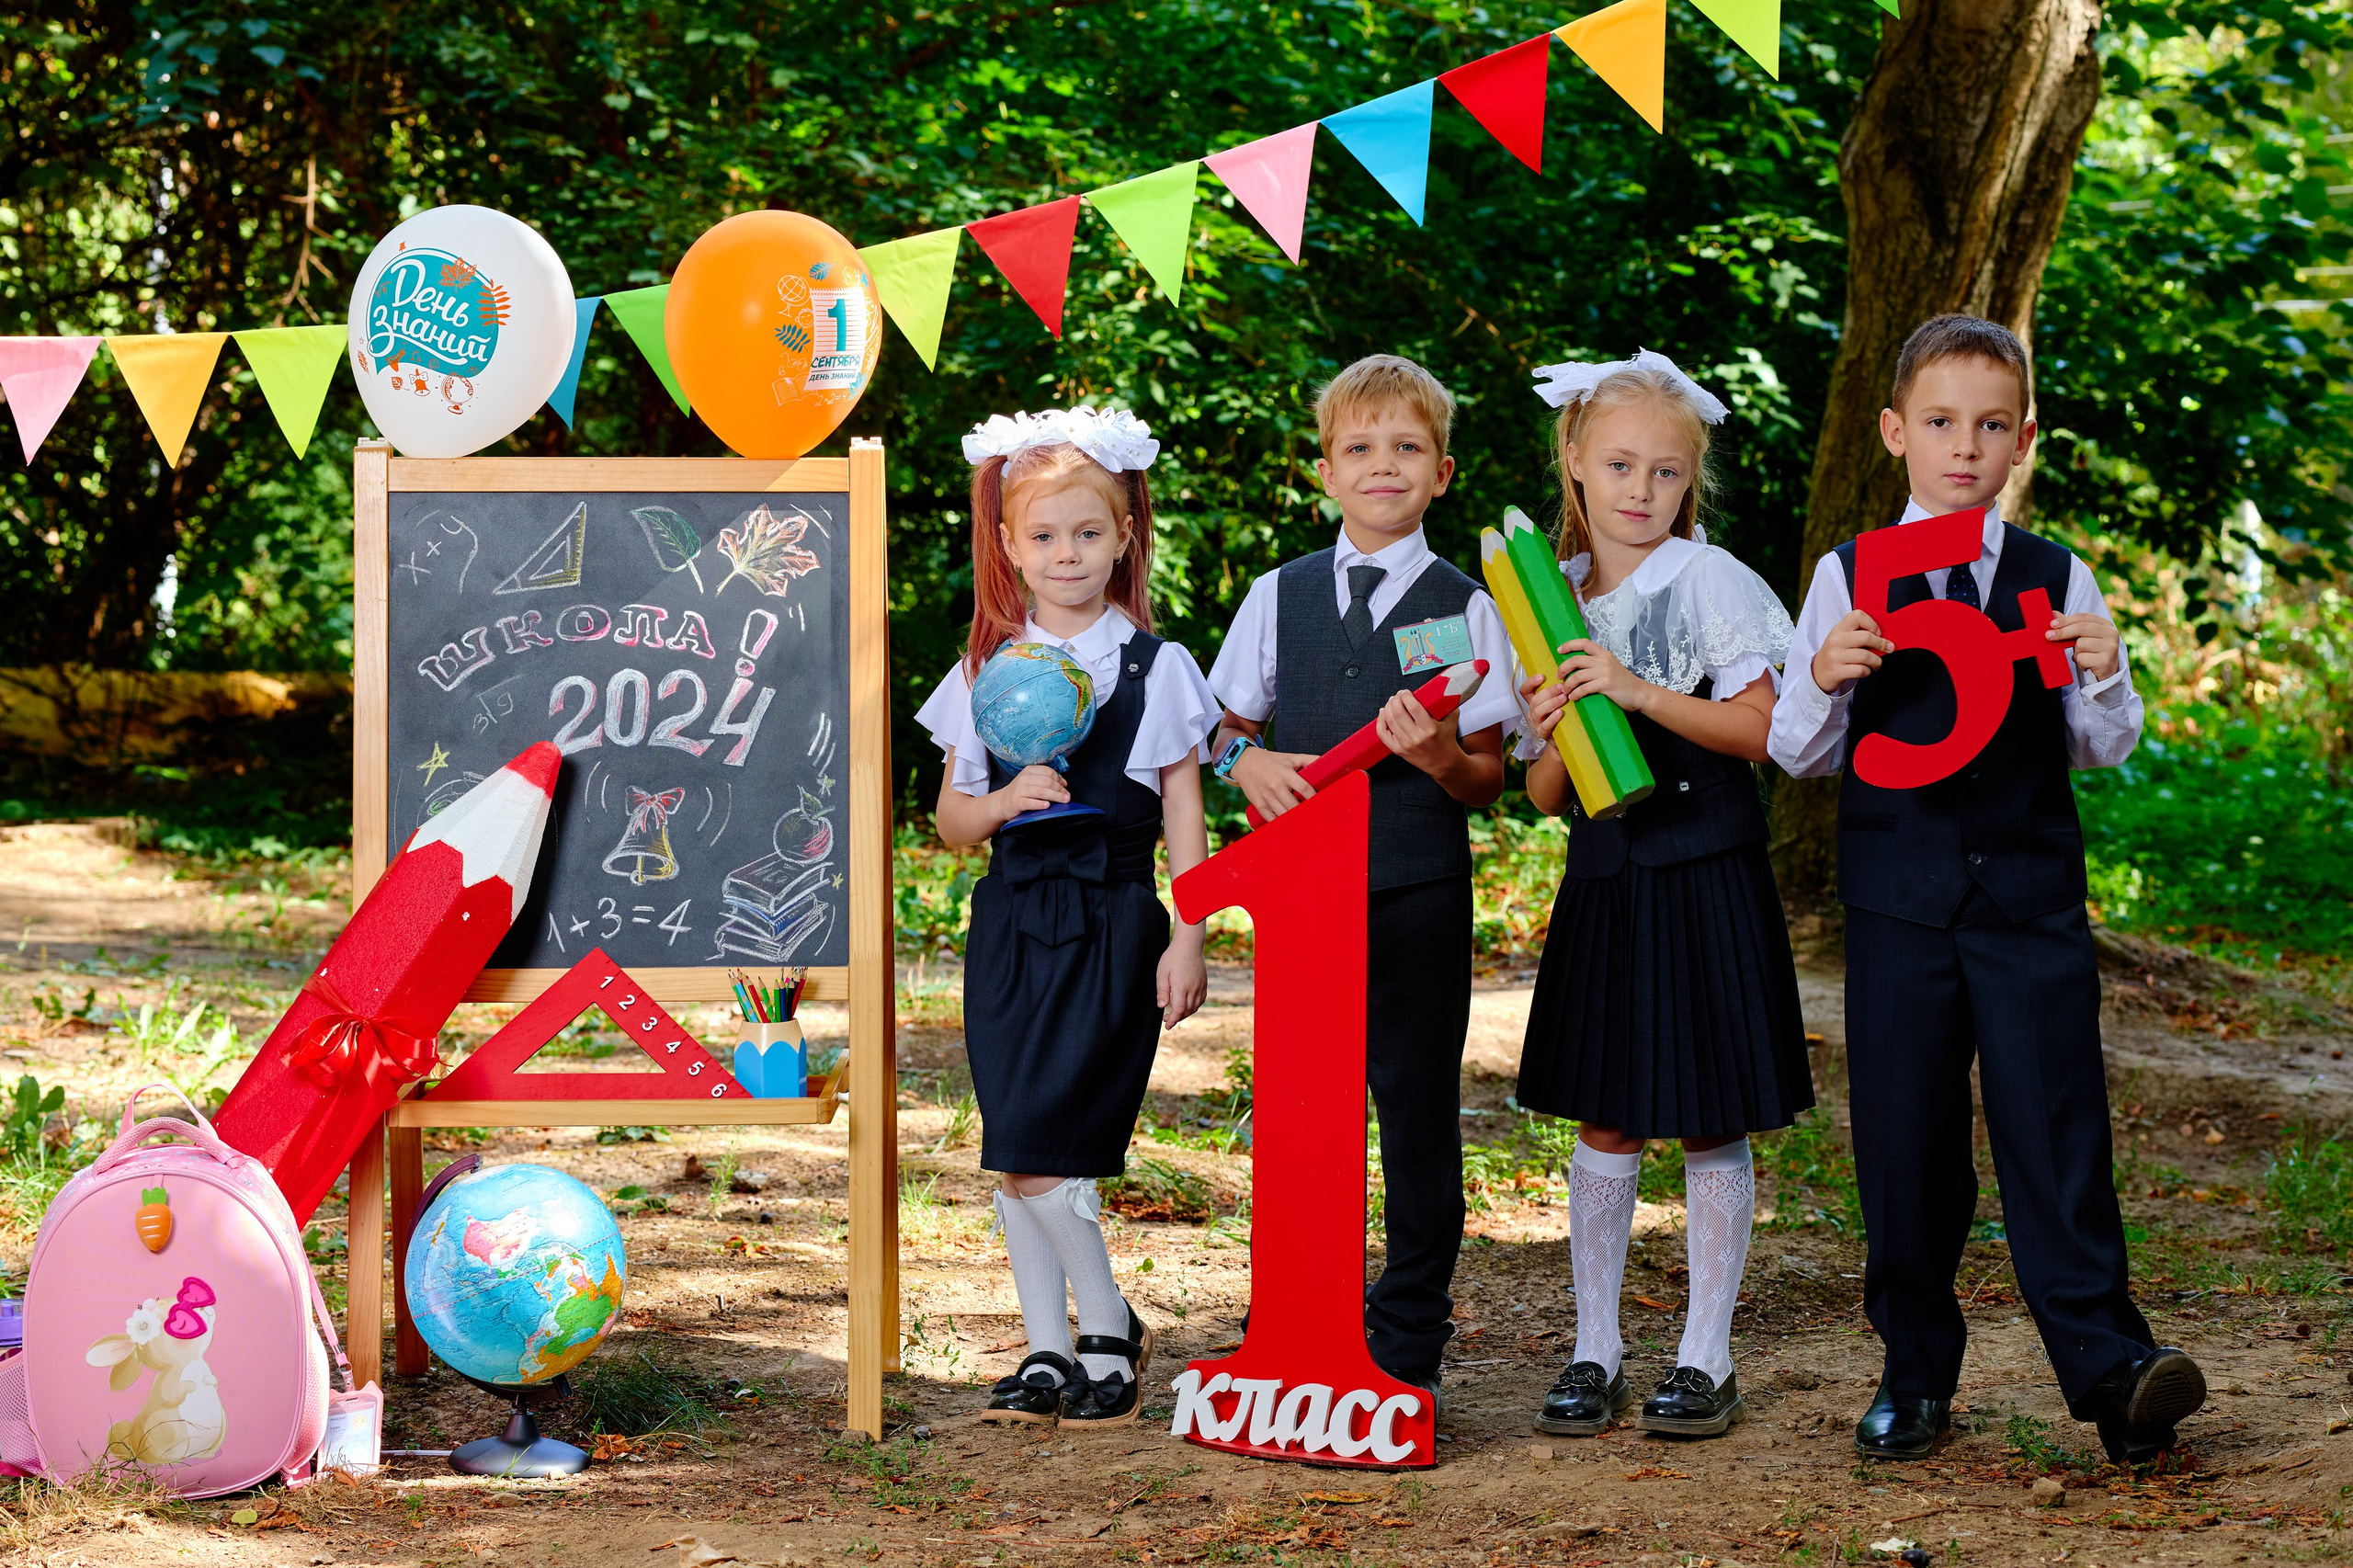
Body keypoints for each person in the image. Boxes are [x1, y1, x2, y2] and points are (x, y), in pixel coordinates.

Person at [1768, 314, 2204, 1464]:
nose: (1965, 446)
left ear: (2021, 440)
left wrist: (2105, 671)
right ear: (1894, 430)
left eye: (1992, 425)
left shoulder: (2056, 574)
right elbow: (1796, 751)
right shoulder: (1846, 571)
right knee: (1905, 1147)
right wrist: (1820, 678)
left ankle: (2112, 1372)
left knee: (2056, 1132)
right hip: (1900, 900)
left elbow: (2101, 747)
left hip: (2027, 900)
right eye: (1943, 422)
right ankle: (1912, 1373)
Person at [1208, 354, 1520, 1409]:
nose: (1381, 465)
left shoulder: (1468, 607)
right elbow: (1218, 724)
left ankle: (1406, 1327)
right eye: (1358, 447)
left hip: (1414, 890)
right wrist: (1237, 760)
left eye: (1405, 447)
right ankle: (1292, 1312)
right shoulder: (1276, 593)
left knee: (1415, 1107)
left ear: (1440, 471)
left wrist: (1436, 757)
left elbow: (1487, 780)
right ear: (1326, 471)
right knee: (1301, 1106)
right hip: (1302, 901)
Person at [1509, 351, 1811, 1440]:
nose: (1641, 489)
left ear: (1691, 483)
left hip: (1705, 870)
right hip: (1608, 876)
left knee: (1708, 1112)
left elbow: (1764, 731)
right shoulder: (1545, 596)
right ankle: (1596, 1347)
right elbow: (1548, 792)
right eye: (1621, 465)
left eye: (1667, 472)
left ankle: (1705, 1354)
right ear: (1576, 465)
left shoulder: (1713, 579)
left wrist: (1634, 690)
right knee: (1610, 1110)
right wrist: (1553, 730)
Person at [915, 407, 1215, 1428]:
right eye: (1042, 536)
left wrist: (1191, 929)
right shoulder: (984, 669)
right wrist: (1004, 800)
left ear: (1125, 532)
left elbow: (1183, 800)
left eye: (1087, 533)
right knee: (1016, 1140)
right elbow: (954, 818)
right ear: (1007, 544)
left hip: (1113, 919)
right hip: (1011, 919)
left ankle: (1106, 1329)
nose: (1066, 554)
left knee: (1060, 1137)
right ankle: (1048, 1346)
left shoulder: (1156, 666)